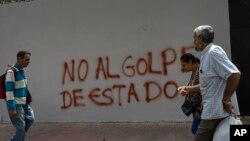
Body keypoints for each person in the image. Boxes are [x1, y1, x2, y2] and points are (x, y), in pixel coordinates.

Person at [180, 25, 240, 141]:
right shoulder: (206, 55)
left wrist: (226, 99)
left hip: (215, 111)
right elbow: (208, 84)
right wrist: (189, 89)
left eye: (194, 38)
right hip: (212, 110)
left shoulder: (213, 53)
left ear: (200, 38)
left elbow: (235, 74)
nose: (193, 41)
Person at [5, 51, 35, 141]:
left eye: (29, 60)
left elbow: (25, 88)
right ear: (20, 59)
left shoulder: (22, 71)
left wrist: (28, 101)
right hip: (16, 104)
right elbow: (9, 91)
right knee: (21, 128)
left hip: (24, 103)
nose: (29, 62)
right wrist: (11, 108)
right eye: (27, 59)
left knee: (30, 119)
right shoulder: (11, 72)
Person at [178, 53, 202, 134]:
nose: (182, 68)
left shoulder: (201, 72)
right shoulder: (194, 72)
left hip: (202, 108)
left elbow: (204, 87)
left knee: (195, 130)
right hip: (196, 108)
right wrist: (186, 90)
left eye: (184, 65)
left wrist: (187, 89)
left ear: (190, 62)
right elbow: (192, 87)